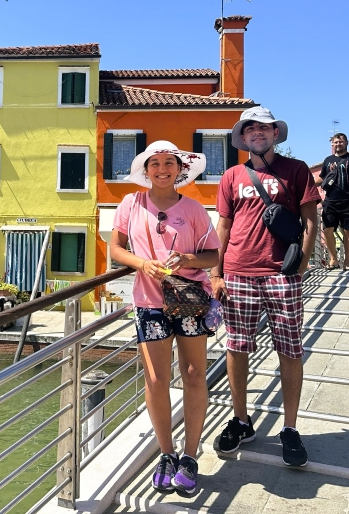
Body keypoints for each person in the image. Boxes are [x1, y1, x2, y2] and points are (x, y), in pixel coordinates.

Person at [211, 107, 320, 467]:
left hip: (281, 273)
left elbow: (309, 222)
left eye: (264, 127)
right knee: (237, 347)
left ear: (276, 134)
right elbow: (223, 228)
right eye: (251, 128)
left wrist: (300, 267)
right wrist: (216, 273)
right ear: (243, 137)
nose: (257, 132)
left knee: (290, 349)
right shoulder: (230, 176)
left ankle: (289, 428)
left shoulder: (297, 170)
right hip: (238, 272)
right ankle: (241, 420)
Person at [110, 140, 220, 496]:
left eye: (168, 162)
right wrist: (143, 263)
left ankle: (190, 455)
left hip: (188, 300)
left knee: (193, 374)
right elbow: (115, 249)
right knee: (157, 379)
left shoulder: (194, 208)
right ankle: (167, 454)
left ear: (180, 168)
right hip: (149, 301)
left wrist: (186, 259)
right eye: (154, 163)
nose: (162, 169)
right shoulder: (131, 203)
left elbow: (212, 256)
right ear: (146, 169)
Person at [314, 134, 349, 270]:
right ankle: (334, 259)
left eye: (341, 142)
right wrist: (308, 184)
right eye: (336, 142)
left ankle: (347, 262)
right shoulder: (328, 160)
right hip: (331, 201)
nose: (338, 144)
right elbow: (322, 178)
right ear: (332, 144)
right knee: (327, 230)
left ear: (346, 143)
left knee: (348, 232)